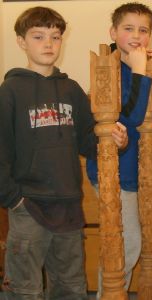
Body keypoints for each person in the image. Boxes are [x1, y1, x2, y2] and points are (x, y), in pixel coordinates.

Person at [0, 6, 128, 300]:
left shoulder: (71, 90)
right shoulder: (9, 91)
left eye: (55, 37)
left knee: (71, 287)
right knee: (25, 290)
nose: (48, 44)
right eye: (38, 36)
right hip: (28, 206)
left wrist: (114, 142)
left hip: (69, 206)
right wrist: (13, 199)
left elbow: (87, 142)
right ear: (21, 41)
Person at [85, 2, 152, 297]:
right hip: (113, 170)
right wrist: (138, 71)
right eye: (128, 28)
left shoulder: (143, 66)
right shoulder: (107, 66)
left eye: (143, 30)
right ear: (113, 31)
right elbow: (131, 116)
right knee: (125, 244)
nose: (137, 35)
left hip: (136, 171)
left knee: (125, 243)